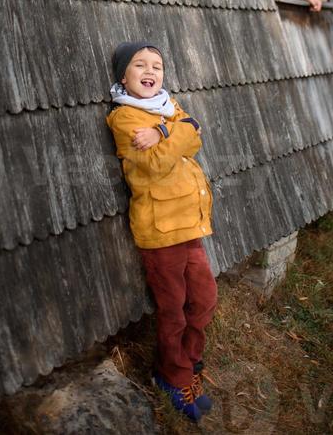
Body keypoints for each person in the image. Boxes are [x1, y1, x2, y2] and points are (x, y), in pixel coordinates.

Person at [106, 41, 216, 423]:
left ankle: (188, 361)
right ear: (125, 76)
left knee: (203, 298)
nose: (150, 70)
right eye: (140, 65)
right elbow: (154, 164)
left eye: (157, 65)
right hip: (161, 231)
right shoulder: (123, 118)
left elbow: (196, 134)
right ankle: (172, 376)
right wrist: (175, 133)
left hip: (189, 224)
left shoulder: (165, 109)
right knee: (174, 311)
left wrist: (162, 131)